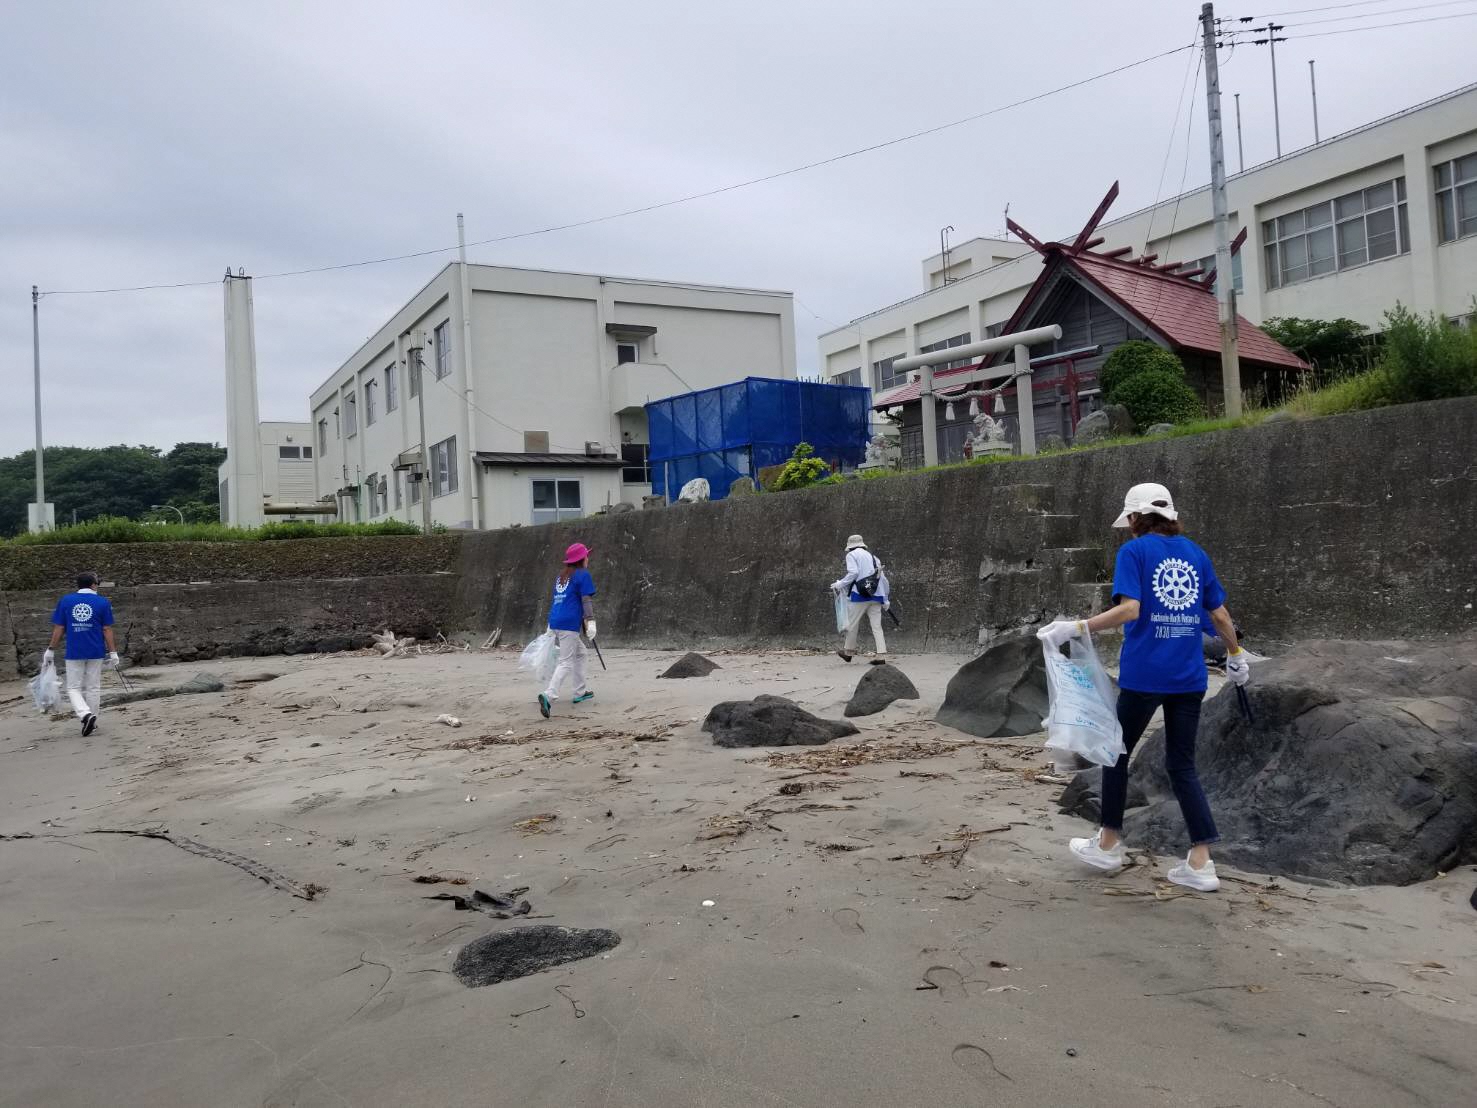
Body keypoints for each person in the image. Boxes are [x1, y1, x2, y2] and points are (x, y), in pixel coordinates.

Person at [1037, 482, 1250, 892]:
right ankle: (1202, 863)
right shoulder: (1195, 553)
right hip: (1189, 678)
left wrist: (1078, 627)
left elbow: (1131, 609)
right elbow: (1220, 615)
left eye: (1128, 519)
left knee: (1115, 754)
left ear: (1135, 517)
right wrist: (1236, 655)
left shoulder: (1133, 552)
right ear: (1169, 515)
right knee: (1183, 766)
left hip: (1146, 675)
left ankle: (1109, 843)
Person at [44, 572, 118, 737]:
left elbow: (59, 628)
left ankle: (85, 714)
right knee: (93, 686)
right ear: (93, 584)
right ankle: (92, 719)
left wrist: (50, 649)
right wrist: (113, 652)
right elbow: (106, 629)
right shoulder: (103, 602)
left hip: (75, 650)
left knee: (73, 687)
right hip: (96, 649)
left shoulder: (66, 601)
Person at [538, 542, 597, 718]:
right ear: (581, 559)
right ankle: (549, 695)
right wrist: (591, 621)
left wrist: (550, 625)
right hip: (568, 624)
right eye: (586, 556)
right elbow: (586, 600)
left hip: (555, 620)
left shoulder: (561, 576)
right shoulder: (583, 575)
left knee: (581, 653)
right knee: (566, 662)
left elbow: (559, 599)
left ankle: (580, 692)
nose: (588, 558)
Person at [831, 534, 889, 664]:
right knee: (877, 626)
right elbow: (883, 579)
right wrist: (885, 599)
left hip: (860, 595)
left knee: (852, 624)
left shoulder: (851, 555)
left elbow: (854, 573)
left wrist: (841, 583)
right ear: (862, 544)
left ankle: (848, 652)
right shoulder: (874, 558)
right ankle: (881, 656)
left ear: (850, 546)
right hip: (877, 595)